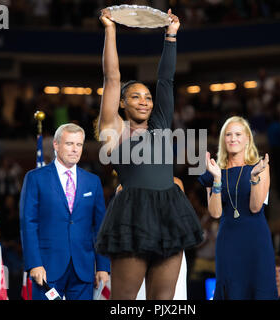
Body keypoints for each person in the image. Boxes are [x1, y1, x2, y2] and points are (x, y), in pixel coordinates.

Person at [95, 9, 203, 300]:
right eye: (135, 96)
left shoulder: (161, 125)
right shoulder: (114, 130)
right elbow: (112, 77)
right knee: (125, 303)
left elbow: (166, 80)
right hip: (132, 214)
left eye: (148, 97)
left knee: (163, 302)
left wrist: (171, 36)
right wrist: (110, 30)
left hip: (170, 212)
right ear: (121, 104)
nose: (144, 101)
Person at [19, 123, 110, 300]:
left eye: (79, 145)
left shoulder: (93, 181)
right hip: (46, 267)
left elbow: (101, 228)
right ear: (56, 145)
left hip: (83, 269)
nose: (75, 149)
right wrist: (34, 263)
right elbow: (28, 225)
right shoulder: (35, 178)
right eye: (69, 144)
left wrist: (103, 266)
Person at [198, 116, 277, 300]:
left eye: (238, 134)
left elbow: (256, 207)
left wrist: (254, 178)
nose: (233, 138)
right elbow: (215, 212)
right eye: (228, 134)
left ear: (248, 138)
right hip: (228, 241)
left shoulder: (260, 167)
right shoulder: (213, 169)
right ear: (223, 139)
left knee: (259, 290)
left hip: (256, 240)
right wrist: (217, 178)